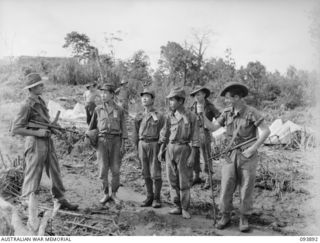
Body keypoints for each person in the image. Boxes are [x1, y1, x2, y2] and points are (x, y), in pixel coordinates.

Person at [11, 73, 79, 231]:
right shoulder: (26, 105)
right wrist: (38, 133)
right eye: (40, 85)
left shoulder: (40, 101)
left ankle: (60, 199)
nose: (43, 87)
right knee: (33, 178)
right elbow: (16, 128)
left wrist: (54, 129)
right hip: (35, 144)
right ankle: (32, 216)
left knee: (55, 172)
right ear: (33, 88)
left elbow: (45, 123)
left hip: (47, 142)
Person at [202, 82, 270, 232]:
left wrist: (253, 148)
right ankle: (225, 215)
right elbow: (213, 128)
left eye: (228, 98)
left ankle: (243, 217)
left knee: (246, 188)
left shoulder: (251, 112)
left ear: (237, 97)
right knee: (226, 186)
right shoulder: (227, 113)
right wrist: (202, 115)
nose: (226, 101)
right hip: (229, 155)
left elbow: (266, 131)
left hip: (247, 156)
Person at [158, 87, 200, 219]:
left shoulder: (191, 116)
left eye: (172, 100)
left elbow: (195, 138)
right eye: (169, 100)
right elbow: (165, 134)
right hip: (170, 149)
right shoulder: (169, 116)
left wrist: (192, 155)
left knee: (184, 181)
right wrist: (161, 151)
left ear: (181, 101)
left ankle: (185, 208)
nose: (170, 102)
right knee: (172, 179)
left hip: (184, 150)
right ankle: (176, 206)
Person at [86, 83, 128, 205]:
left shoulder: (119, 110)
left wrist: (123, 144)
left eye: (106, 93)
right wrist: (90, 138)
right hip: (102, 141)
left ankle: (114, 194)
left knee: (115, 169)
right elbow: (92, 126)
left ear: (112, 95)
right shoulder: (98, 109)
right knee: (103, 169)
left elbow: (123, 127)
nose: (103, 95)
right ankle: (105, 193)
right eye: (102, 93)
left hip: (116, 141)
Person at [133, 88, 165, 208]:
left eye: (147, 96)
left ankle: (157, 198)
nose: (144, 98)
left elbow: (163, 133)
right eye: (143, 96)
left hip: (154, 145)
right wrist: (137, 148)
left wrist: (161, 149)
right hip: (142, 144)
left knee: (155, 173)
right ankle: (149, 196)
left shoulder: (159, 116)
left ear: (152, 99)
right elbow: (135, 133)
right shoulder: (139, 116)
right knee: (145, 172)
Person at [189, 85, 220, 189]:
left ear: (204, 94)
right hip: (194, 132)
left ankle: (209, 177)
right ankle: (196, 175)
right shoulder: (193, 105)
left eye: (198, 94)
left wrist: (210, 125)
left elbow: (219, 117)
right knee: (195, 154)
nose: (196, 97)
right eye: (195, 95)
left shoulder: (209, 106)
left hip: (204, 132)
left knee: (206, 155)